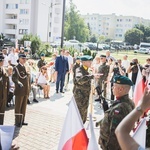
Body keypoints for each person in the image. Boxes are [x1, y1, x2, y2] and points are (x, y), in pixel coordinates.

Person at [98, 75, 135, 150]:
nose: (112, 88)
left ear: (121, 89)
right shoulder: (129, 102)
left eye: (114, 86)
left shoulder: (119, 108)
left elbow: (114, 135)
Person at [74, 55, 100, 124]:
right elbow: (80, 80)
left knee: (84, 116)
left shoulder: (87, 70)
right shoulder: (79, 70)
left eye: (91, 61)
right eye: (89, 61)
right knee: (79, 117)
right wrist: (92, 76)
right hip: (80, 97)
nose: (91, 62)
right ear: (84, 62)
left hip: (85, 97)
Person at [12, 54, 30, 127]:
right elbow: (14, 78)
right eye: (23, 58)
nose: (24, 60)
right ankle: (17, 121)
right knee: (18, 107)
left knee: (23, 107)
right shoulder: (16, 68)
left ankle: (22, 121)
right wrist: (18, 83)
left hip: (25, 90)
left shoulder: (25, 67)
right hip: (19, 91)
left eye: (25, 59)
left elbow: (27, 77)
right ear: (19, 59)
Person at [0, 54, 9, 124]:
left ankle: (1, 124)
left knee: (2, 111)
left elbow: (7, 82)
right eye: (2, 61)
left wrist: (7, 92)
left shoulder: (4, 69)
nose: (2, 62)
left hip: (4, 94)